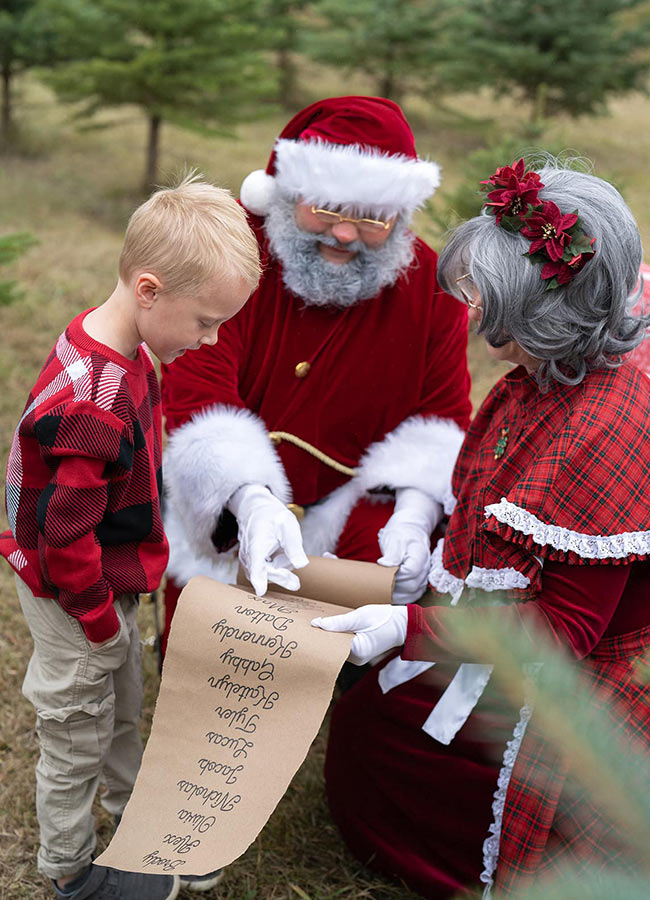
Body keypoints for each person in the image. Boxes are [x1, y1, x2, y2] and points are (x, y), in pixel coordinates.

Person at [313, 158, 650, 898]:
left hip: (587, 682)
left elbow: (564, 632)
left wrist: (412, 629)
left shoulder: (602, 433)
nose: (474, 324)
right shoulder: (577, 355)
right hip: (526, 629)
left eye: (490, 308)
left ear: (552, 320)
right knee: (376, 725)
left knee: (386, 752)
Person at [0, 175, 260, 900]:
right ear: (149, 290)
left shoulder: (130, 350)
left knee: (120, 703)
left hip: (110, 577)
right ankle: (73, 871)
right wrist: (90, 617)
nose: (210, 340)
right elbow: (62, 530)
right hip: (75, 588)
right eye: (205, 322)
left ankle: (135, 819)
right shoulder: (97, 401)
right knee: (77, 728)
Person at [161, 96, 472, 653]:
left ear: (399, 216)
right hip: (235, 502)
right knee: (200, 651)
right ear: (288, 192)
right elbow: (196, 392)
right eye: (325, 207)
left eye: (372, 217)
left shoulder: (431, 284)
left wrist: (413, 517)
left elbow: (440, 419)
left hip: (349, 499)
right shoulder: (232, 250)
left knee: (363, 640)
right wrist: (250, 499)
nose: (345, 234)